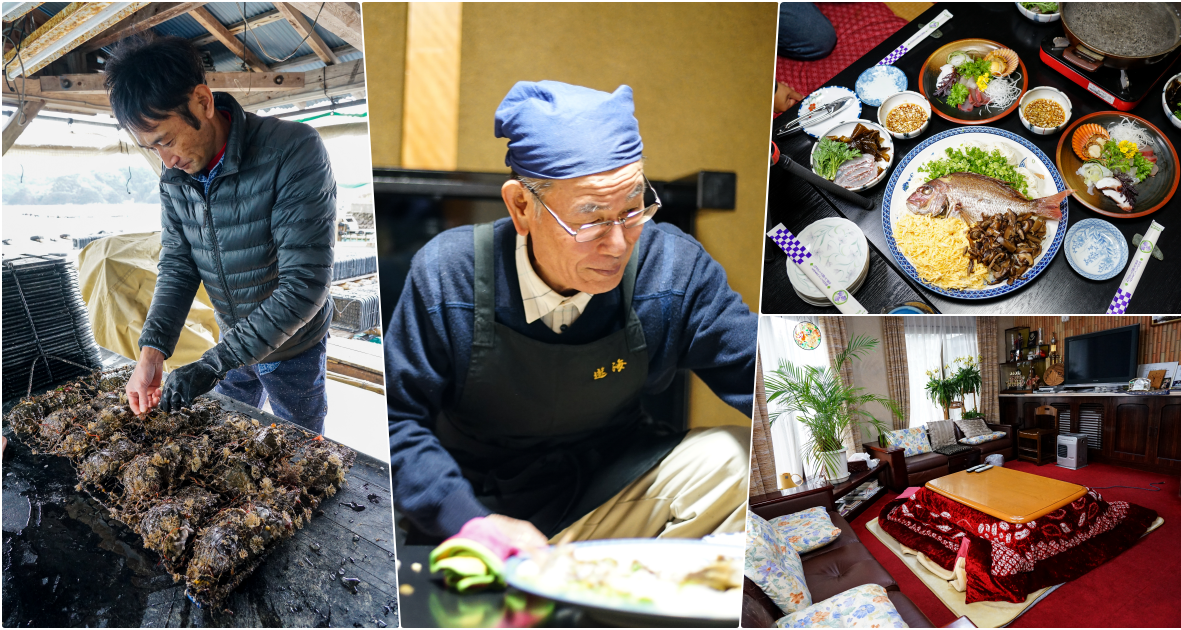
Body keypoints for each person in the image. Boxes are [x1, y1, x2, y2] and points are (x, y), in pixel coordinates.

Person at [386, 80, 756, 557]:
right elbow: (396, 417)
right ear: (522, 206)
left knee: (734, 458)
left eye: (632, 210)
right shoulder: (448, 274)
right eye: (590, 218)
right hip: (481, 513)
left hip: (613, 495)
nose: (619, 244)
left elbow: (764, 377)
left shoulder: (673, 269)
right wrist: (466, 519)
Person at [107, 35, 336, 434]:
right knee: (223, 440)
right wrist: (152, 352)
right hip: (230, 341)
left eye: (166, 140)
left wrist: (213, 363)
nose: (167, 160)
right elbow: (179, 266)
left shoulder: (293, 150)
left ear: (202, 101)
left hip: (293, 349)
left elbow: (305, 284)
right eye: (152, 149)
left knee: (297, 455)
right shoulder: (175, 178)